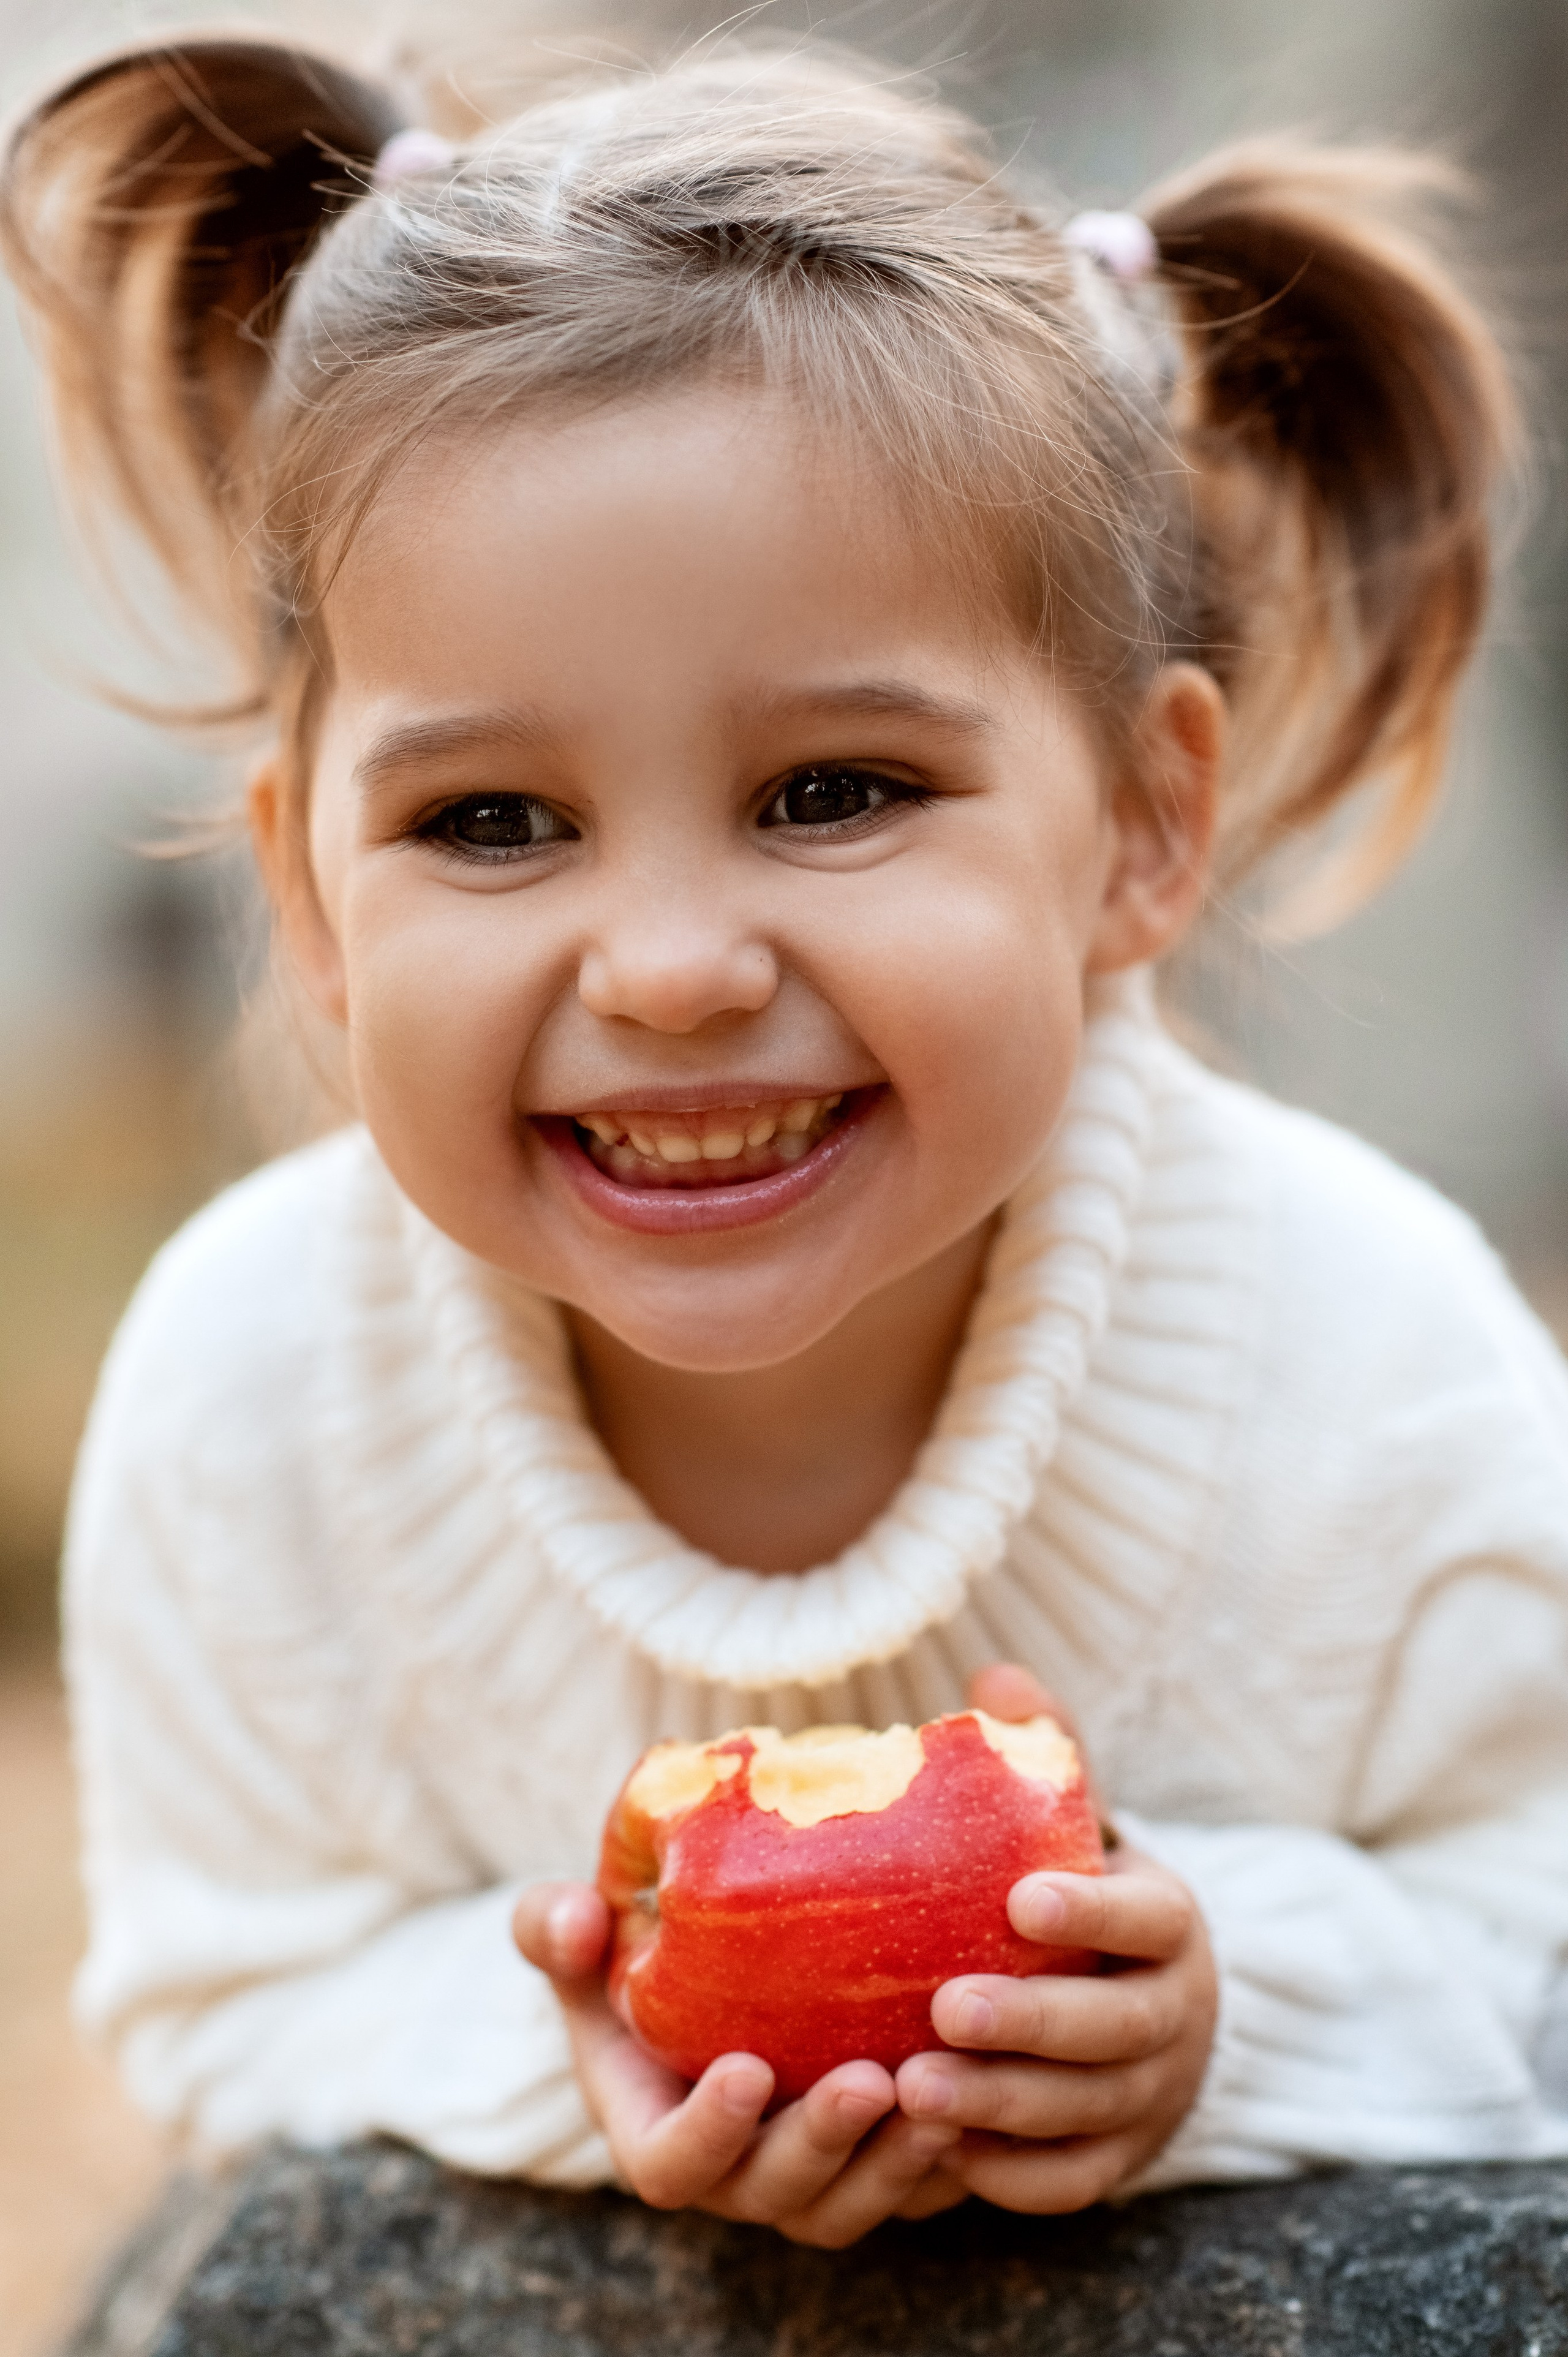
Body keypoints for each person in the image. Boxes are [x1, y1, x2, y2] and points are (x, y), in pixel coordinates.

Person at [7, 22, 1567, 2253]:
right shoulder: (255, 1394)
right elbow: (220, 1984)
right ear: (308, 896)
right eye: (491, 820)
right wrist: (573, 2038)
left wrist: (1233, 2003)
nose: (665, 967)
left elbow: (1537, 1906)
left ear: (1144, 824)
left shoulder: (1374, 1366)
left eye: (832, 793)